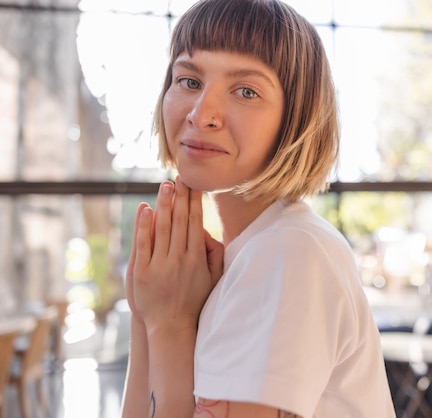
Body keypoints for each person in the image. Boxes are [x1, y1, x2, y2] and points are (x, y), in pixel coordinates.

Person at [120, 1, 395, 417]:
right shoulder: (250, 253)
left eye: (246, 91)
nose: (200, 113)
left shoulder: (288, 252)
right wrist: (147, 314)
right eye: (189, 80)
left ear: (295, 120)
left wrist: (170, 327)